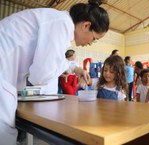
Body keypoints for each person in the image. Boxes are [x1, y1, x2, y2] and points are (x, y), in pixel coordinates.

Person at [0, 0, 109, 144]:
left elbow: (53, 60)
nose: (90, 43)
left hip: (5, 70)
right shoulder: (62, 24)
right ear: (86, 25)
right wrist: (68, 68)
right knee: (4, 134)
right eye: (94, 39)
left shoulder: (57, 21)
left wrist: (76, 69)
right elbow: (40, 76)